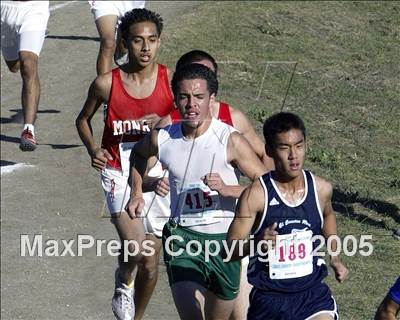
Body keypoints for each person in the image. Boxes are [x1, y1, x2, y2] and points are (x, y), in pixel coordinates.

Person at [127, 63, 266, 320]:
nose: (191, 104)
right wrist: (139, 189)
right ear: (176, 100)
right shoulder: (164, 137)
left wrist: (230, 189)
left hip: (225, 243)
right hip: (183, 239)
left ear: (211, 99)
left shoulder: (230, 140)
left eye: (199, 97)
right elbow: (137, 154)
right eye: (184, 97)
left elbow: (268, 188)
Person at [76, 8, 175, 320]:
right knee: (136, 246)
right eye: (137, 41)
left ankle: (135, 312)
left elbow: (190, 119)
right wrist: (93, 148)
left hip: (157, 171)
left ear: (159, 42)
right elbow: (82, 120)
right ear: (124, 42)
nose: (145, 48)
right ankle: (123, 280)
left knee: (150, 260)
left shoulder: (170, 81)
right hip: (118, 169)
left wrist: (162, 123)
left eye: (152, 40)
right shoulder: (107, 83)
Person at [227, 112, 349, 320]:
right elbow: (228, 250)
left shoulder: (321, 189)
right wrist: (257, 244)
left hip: (311, 296)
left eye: (299, 146)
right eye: (284, 148)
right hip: (269, 301)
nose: (293, 155)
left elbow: (327, 216)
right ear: (269, 151)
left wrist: (335, 257)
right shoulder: (256, 196)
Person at [1, 0, 50, 151]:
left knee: (28, 64)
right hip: (4, 8)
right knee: (14, 66)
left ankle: (28, 129)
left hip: (34, 8)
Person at [88, 0, 146, 75]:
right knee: (108, 42)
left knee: (126, 41)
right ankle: (104, 85)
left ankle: (121, 47)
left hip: (132, 3)